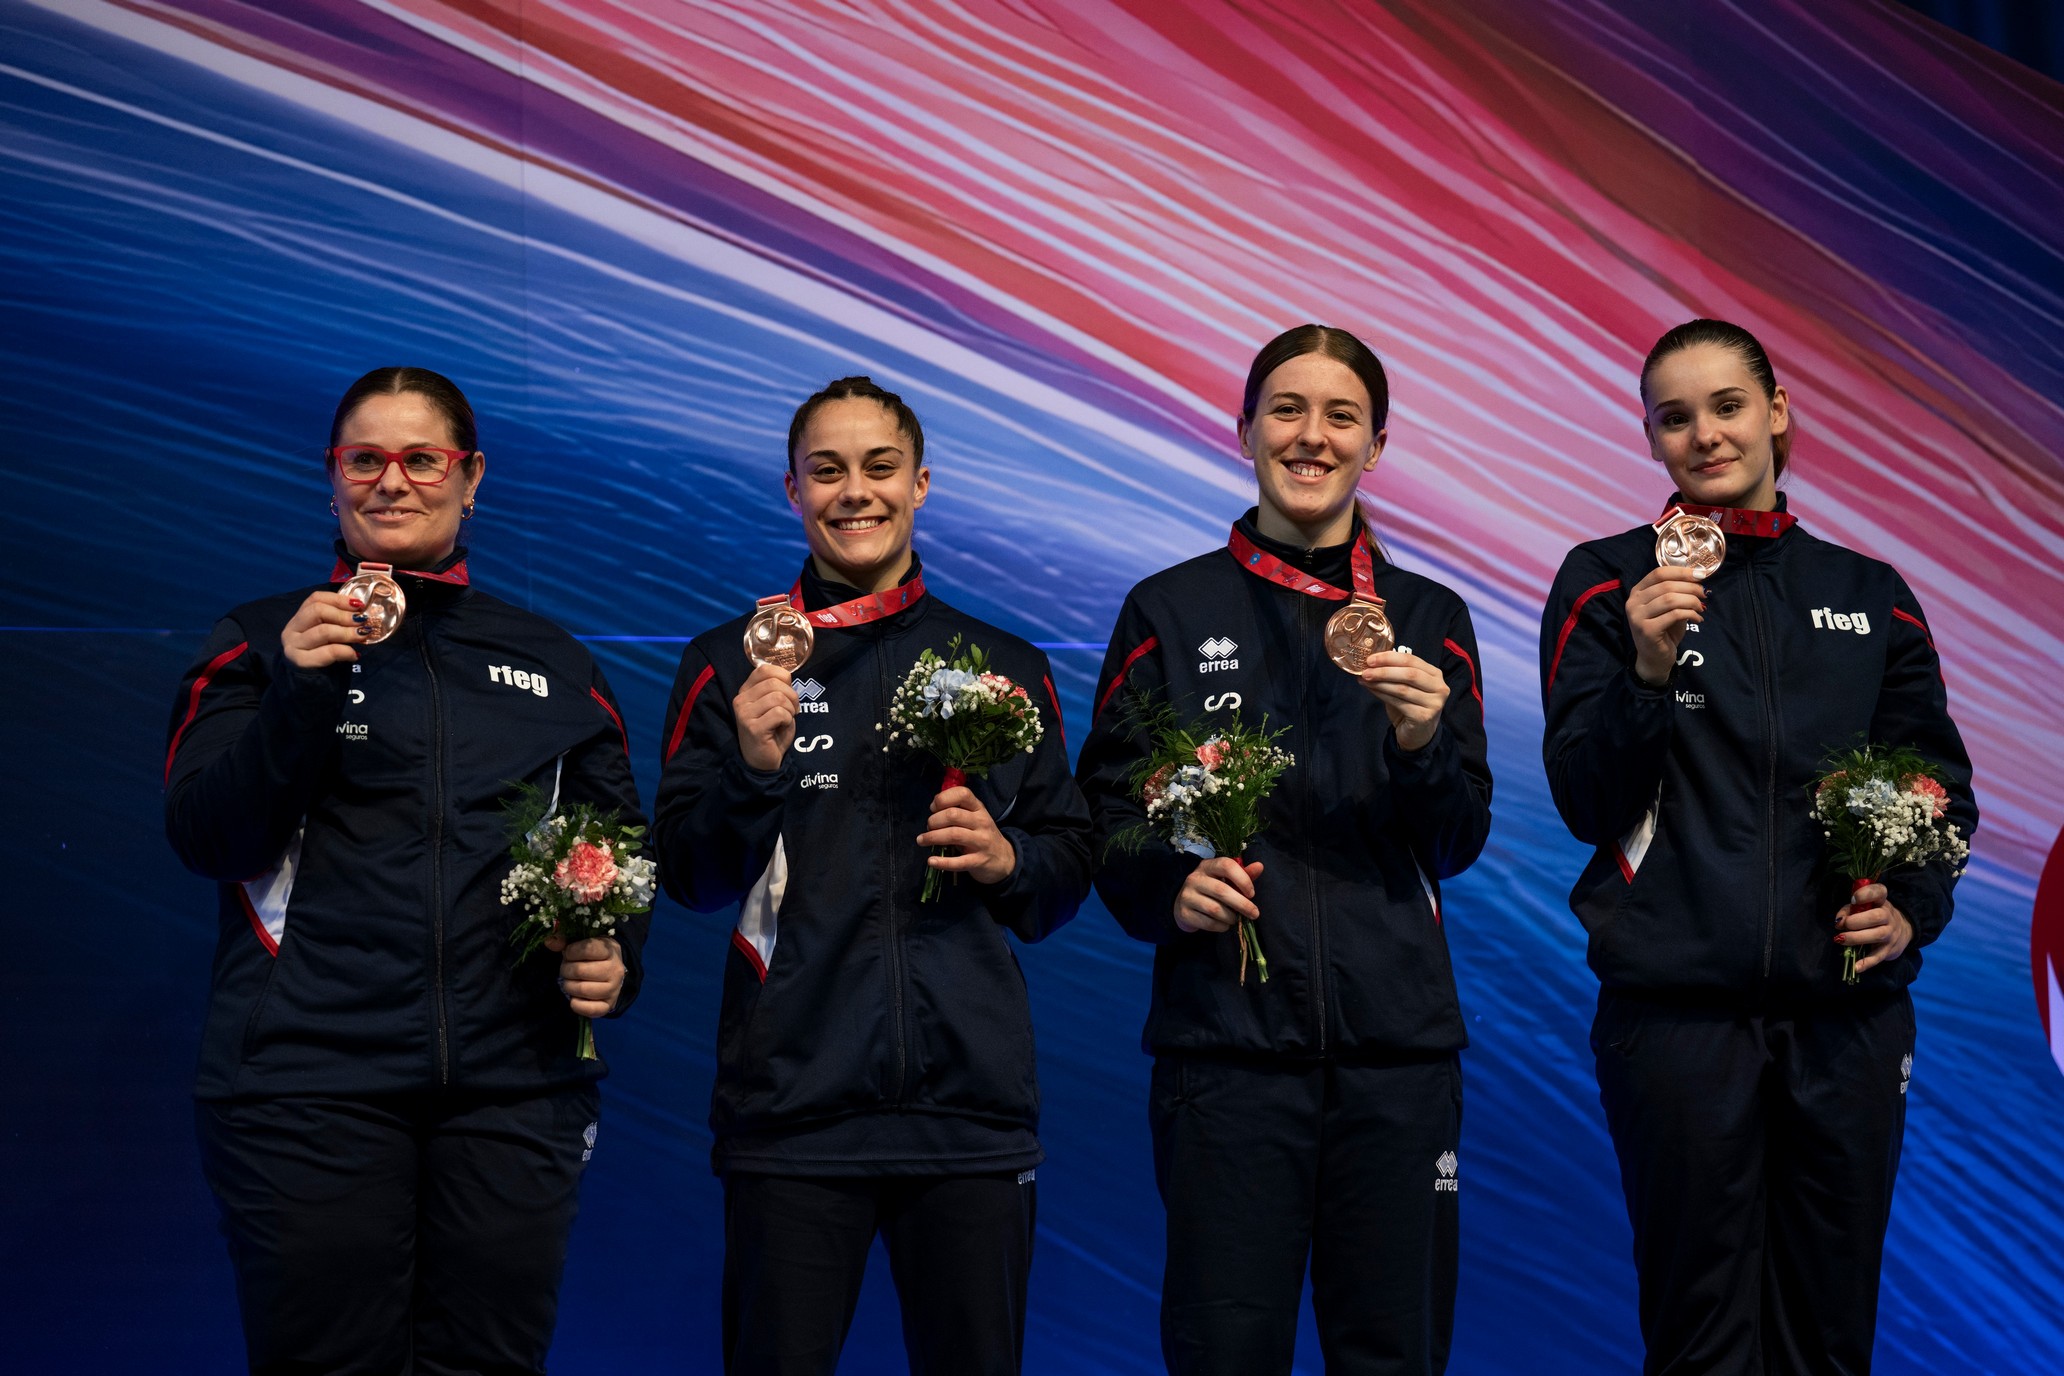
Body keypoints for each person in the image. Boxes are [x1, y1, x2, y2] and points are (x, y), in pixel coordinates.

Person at [164, 366, 647, 1375]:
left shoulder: (554, 660)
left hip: (517, 1088)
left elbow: (617, 847)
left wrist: (615, 954)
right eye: (364, 459)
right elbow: (212, 839)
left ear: (471, 477)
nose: (393, 480)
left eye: (421, 458)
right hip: (310, 1082)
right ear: (330, 479)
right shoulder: (257, 643)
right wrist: (300, 690)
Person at [1538, 319, 1978, 1375]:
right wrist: (1647, 669)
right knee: (1702, 1338)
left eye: (1727, 404)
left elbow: (1941, 788)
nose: (1705, 433)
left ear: (1777, 412)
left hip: (1848, 1017)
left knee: (1829, 1336)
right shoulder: (1606, 583)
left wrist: (1911, 906)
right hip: (1677, 1017)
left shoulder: (1873, 596)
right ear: (1650, 440)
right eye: (1674, 416)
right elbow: (1586, 800)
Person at [652, 376, 1092, 1375]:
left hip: (970, 1112)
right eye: (828, 470)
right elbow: (688, 871)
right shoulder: (733, 663)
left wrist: (1009, 856)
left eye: (880, 466)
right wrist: (751, 773)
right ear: (792, 492)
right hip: (794, 1112)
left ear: (922, 483)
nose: (857, 490)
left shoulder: (1003, 663)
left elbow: (1067, 869)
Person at [1076, 324, 1494, 1375]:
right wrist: (1174, 889)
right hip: (1225, 1055)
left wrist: (1418, 742)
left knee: (1394, 1353)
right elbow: (1104, 815)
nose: (1312, 436)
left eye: (1341, 416)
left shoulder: (1427, 616)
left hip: (1396, 1057)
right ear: (1246, 428)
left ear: (1378, 444)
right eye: (1288, 410)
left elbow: (1458, 835)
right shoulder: (1167, 609)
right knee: (1224, 1353)